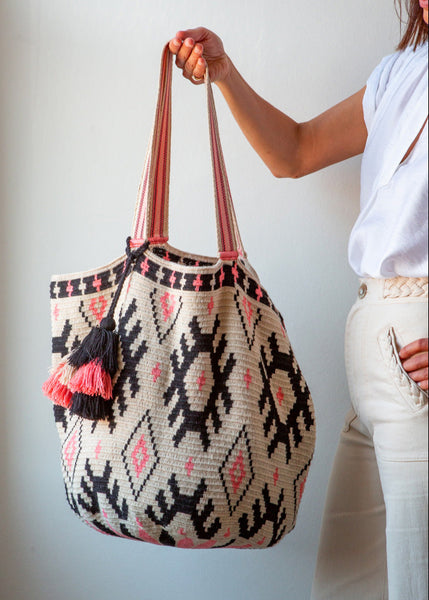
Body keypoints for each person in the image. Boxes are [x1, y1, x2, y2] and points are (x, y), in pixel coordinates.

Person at [169, 1, 428, 599]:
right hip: (375, 351)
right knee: (348, 582)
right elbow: (296, 150)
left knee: (416, 577)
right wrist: (226, 71)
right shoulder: (398, 73)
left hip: (416, 349)